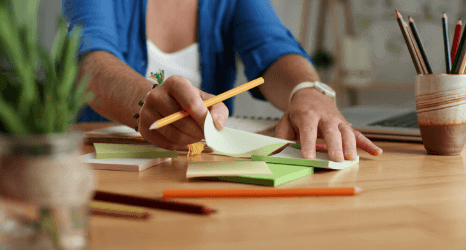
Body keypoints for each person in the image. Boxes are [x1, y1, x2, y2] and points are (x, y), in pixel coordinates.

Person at [63, 0, 383, 161]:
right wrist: (145, 103)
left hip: (204, 175)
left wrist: (308, 91)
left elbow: (273, 47)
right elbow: (87, 61)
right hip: (103, 173)